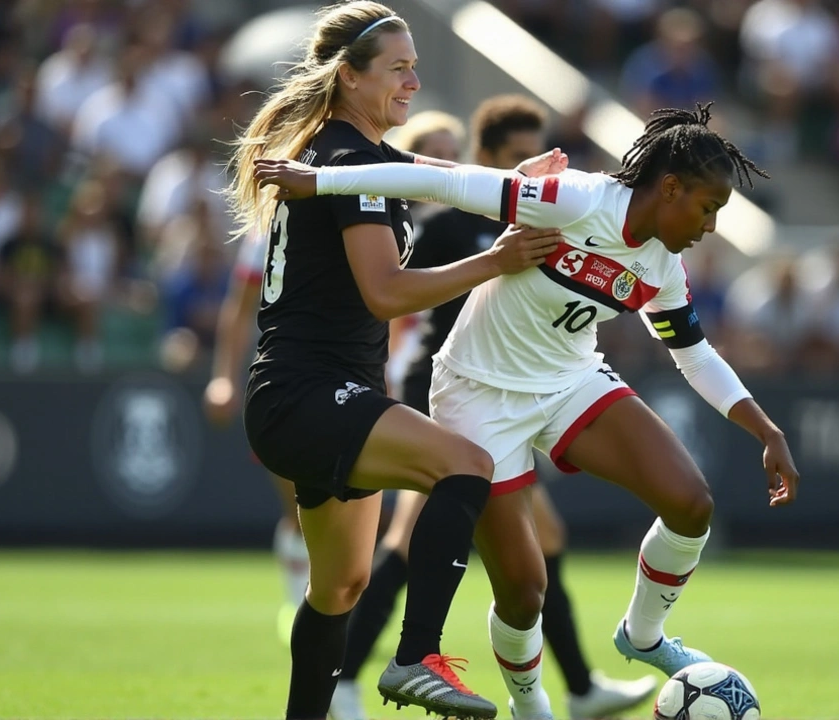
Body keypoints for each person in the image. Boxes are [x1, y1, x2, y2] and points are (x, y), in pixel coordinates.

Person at [256, 102, 801, 720]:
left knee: (691, 503)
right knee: (524, 592)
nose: (709, 227)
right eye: (707, 208)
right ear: (670, 187)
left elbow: (695, 356)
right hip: (479, 393)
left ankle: (642, 636)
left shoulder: (663, 266)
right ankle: (530, 705)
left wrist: (765, 427)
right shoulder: (574, 200)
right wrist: (321, 180)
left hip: (571, 380)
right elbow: (446, 182)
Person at [224, 3, 565, 719]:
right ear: (348, 76)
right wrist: (495, 261)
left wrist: (513, 182)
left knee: (339, 590)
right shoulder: (353, 159)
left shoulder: (349, 154)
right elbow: (385, 293)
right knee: (467, 464)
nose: (414, 80)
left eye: (415, 65)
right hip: (310, 394)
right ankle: (417, 658)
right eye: (398, 68)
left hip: (306, 398)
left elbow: (441, 174)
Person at [329, 95, 657, 720]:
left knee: (541, 540)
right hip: (452, 385)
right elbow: (388, 289)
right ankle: (345, 676)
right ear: (487, 159)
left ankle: (580, 687)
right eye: (510, 157)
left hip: (509, 390)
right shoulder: (451, 225)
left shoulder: (551, 214)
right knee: (407, 539)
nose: (525, 166)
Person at [203, 228, 310, 642]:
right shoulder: (266, 232)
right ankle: (295, 603)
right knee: (299, 506)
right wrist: (223, 379)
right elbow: (239, 308)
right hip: (282, 385)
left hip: (346, 377)